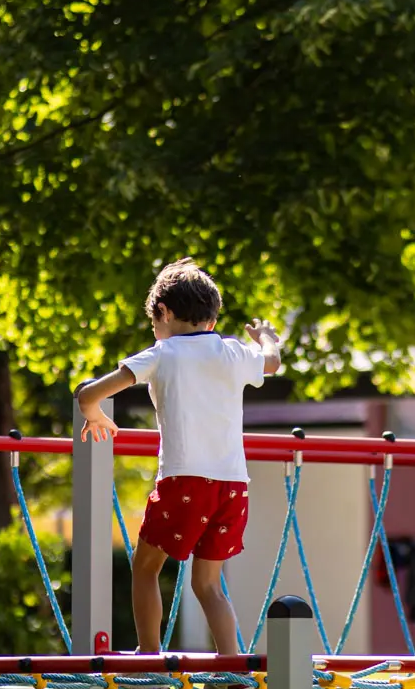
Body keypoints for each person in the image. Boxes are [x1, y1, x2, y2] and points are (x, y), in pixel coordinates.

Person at [76, 259, 281, 655]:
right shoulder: (233, 352)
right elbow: (272, 362)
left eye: (154, 322)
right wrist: (266, 337)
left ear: (164, 313)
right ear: (212, 316)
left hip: (184, 481)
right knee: (208, 584)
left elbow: (88, 393)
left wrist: (95, 416)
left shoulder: (162, 353)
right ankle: (231, 665)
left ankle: (149, 655)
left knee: (146, 568)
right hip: (234, 487)